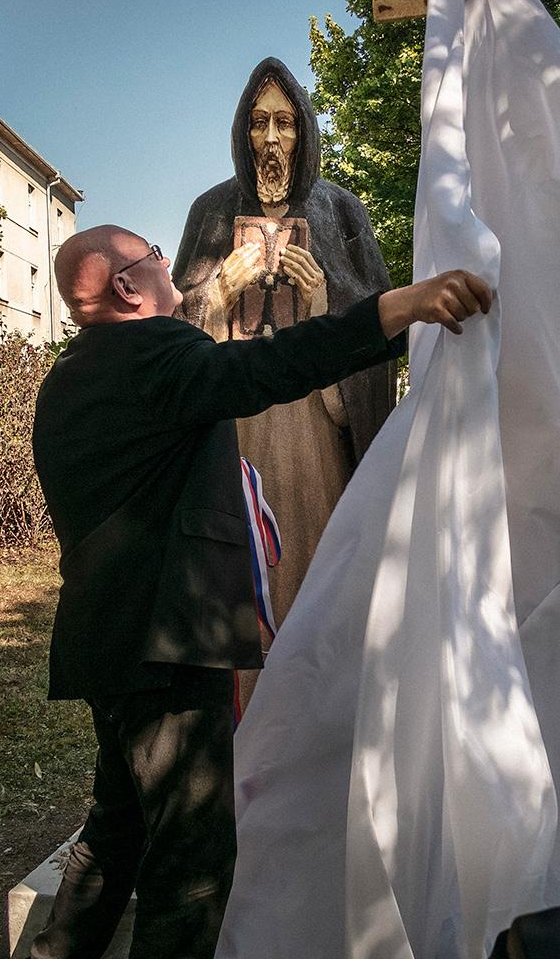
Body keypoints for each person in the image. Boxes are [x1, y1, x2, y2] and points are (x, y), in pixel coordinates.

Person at [28, 224, 491, 959]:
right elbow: (266, 368)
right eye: (152, 254)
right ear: (125, 286)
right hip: (168, 646)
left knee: (118, 829)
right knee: (191, 864)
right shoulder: (151, 351)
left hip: (107, 642)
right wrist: (395, 308)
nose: (163, 262)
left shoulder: (68, 379)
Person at [173, 58, 400, 708]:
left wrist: (326, 300)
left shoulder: (338, 210)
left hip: (315, 435)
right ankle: (241, 730)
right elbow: (178, 335)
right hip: (235, 434)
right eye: (258, 124)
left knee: (314, 574)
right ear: (242, 134)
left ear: (304, 132)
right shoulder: (212, 212)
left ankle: (320, 718)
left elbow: (378, 324)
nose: (271, 139)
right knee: (238, 578)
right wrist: (219, 294)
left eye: (284, 123)